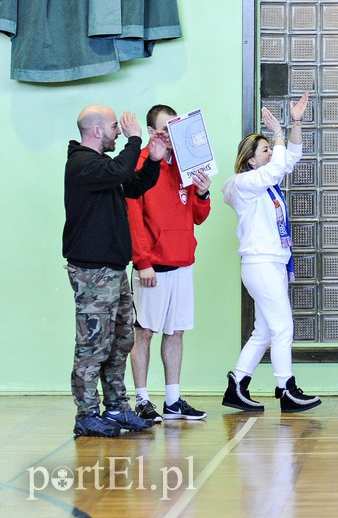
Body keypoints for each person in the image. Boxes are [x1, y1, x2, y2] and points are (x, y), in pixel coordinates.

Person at [63, 104, 167, 437]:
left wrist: (153, 158)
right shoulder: (81, 164)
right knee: (93, 345)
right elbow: (121, 172)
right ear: (96, 131)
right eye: (113, 127)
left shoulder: (102, 168)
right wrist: (137, 140)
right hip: (93, 272)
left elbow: (133, 184)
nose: (118, 131)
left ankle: (117, 408)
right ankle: (87, 414)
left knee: (120, 340)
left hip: (113, 270)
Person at [221, 93, 321, 413]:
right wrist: (276, 132)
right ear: (251, 159)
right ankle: (285, 389)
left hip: (272, 263)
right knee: (282, 328)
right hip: (260, 263)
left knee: (264, 330)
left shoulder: (266, 185)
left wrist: (295, 123)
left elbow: (290, 156)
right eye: (265, 149)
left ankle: (237, 384)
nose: (272, 152)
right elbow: (277, 167)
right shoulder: (244, 183)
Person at [127, 104, 212, 423]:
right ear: (151, 133)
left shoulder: (186, 166)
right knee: (145, 332)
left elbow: (198, 217)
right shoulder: (140, 167)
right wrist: (143, 262)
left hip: (182, 262)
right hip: (153, 267)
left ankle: (173, 399)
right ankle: (142, 399)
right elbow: (134, 218)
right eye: (165, 131)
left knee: (175, 332)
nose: (171, 138)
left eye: (174, 130)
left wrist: (203, 194)